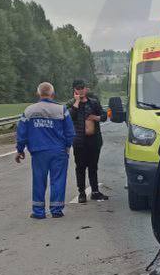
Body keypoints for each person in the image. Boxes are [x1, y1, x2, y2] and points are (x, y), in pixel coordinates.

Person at [15, 82, 74, 219]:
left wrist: (20, 150)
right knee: (58, 179)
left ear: (38, 94)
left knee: (38, 180)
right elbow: (70, 132)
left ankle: (38, 211)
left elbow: (22, 133)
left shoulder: (29, 110)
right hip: (58, 151)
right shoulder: (62, 110)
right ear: (52, 94)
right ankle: (56, 210)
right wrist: (67, 147)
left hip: (38, 151)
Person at [67, 79, 108, 202]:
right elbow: (69, 117)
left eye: (82, 88)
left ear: (86, 88)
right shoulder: (70, 104)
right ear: (74, 90)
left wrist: (95, 117)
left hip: (94, 140)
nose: (81, 90)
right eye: (78, 88)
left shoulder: (93, 103)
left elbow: (104, 116)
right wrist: (77, 102)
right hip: (79, 141)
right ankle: (81, 193)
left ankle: (95, 191)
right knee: (80, 167)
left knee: (93, 167)